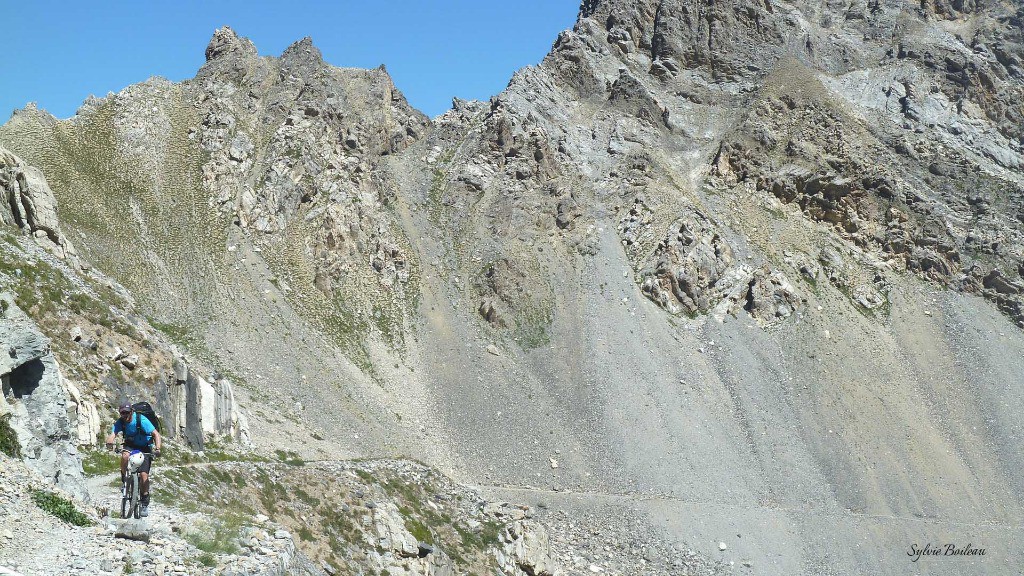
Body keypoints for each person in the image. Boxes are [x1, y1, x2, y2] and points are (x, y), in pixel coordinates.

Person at [105, 402, 162, 517]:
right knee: (125, 455)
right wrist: (110, 441)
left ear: (132, 411)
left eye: (127, 412)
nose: (125, 415)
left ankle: (144, 502)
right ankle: (124, 479)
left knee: (144, 475)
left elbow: (156, 434)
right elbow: (113, 433)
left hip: (145, 447)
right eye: (122, 413)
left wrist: (158, 449)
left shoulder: (142, 420)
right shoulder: (121, 422)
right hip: (130, 445)